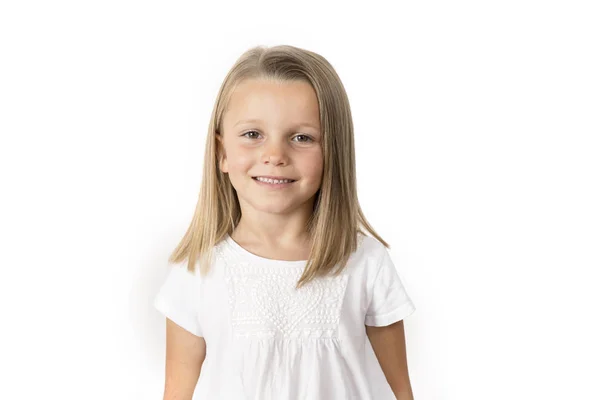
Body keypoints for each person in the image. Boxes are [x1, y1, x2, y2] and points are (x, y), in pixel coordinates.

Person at [154, 44, 417, 400]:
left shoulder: (365, 262)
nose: (275, 155)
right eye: (252, 135)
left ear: (333, 152)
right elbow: (176, 392)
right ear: (221, 153)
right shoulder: (197, 269)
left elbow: (400, 390)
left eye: (302, 137)